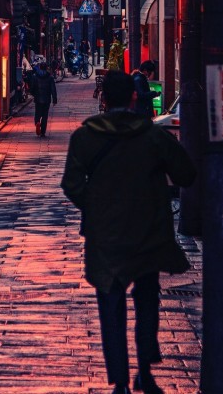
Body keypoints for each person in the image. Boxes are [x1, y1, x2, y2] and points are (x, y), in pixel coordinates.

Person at [61, 71, 196, 394]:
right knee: (147, 301)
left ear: (103, 98)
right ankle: (145, 373)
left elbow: (72, 185)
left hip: (105, 237)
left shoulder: (85, 137)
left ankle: (119, 381)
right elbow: (186, 174)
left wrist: (96, 209)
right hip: (148, 233)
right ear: (133, 97)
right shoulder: (153, 136)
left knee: (111, 305)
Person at [29, 59, 58, 137]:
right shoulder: (50, 77)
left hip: (38, 98)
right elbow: (53, 89)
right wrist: (54, 99)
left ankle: (37, 122)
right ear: (46, 68)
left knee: (37, 113)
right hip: (46, 99)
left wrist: (32, 93)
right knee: (45, 115)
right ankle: (43, 132)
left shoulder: (35, 76)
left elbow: (32, 87)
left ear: (40, 68)